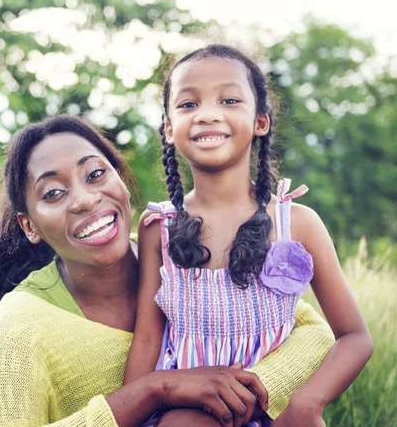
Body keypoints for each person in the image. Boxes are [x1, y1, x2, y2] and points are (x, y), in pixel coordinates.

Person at [0, 115, 336, 427]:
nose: (84, 199)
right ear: (29, 225)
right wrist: (154, 390)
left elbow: (313, 330)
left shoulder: (179, 254)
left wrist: (239, 397)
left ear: (121, 179)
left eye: (96, 174)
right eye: (52, 193)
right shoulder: (22, 323)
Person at [124, 44, 373, 427]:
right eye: (189, 105)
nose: (208, 114)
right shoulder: (159, 228)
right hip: (186, 413)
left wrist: (308, 402)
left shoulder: (298, 223)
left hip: (276, 410)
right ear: (169, 129)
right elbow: (146, 340)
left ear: (260, 121)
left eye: (228, 100)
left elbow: (355, 336)